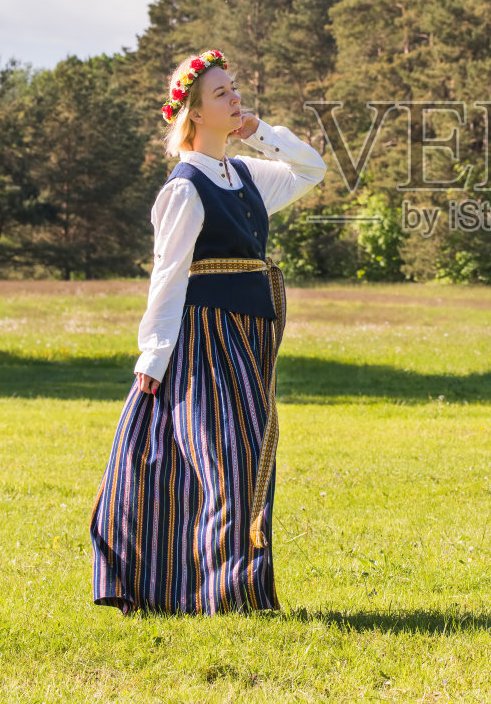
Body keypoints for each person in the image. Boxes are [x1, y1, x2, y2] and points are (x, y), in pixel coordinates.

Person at [90, 50, 326, 614]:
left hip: (246, 340)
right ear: (193, 114)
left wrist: (261, 132)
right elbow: (167, 275)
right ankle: (224, 594)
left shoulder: (243, 175)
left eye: (234, 88)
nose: (235, 97)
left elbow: (311, 169)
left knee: (247, 459)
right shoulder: (186, 187)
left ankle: (223, 590)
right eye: (221, 94)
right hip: (201, 342)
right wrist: (153, 356)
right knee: (226, 460)